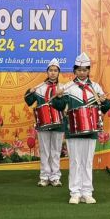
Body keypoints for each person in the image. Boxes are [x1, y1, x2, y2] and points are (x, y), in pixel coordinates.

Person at [52, 52, 110, 205]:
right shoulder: (68, 87)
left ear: (88, 70)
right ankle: (75, 192)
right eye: (79, 70)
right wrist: (58, 97)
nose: (82, 73)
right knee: (75, 161)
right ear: (75, 70)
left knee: (87, 162)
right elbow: (58, 106)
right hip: (73, 130)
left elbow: (105, 107)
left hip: (91, 131)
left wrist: (105, 101)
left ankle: (87, 192)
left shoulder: (95, 87)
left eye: (85, 70)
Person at [24, 59, 65, 187]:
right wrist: (29, 92)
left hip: (59, 124)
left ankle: (55, 177)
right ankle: (44, 176)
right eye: (50, 70)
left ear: (58, 72)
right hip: (43, 124)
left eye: (55, 70)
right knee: (44, 151)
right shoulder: (39, 88)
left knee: (56, 151)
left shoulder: (63, 88)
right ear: (47, 72)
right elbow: (29, 101)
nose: (53, 73)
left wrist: (60, 96)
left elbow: (64, 105)